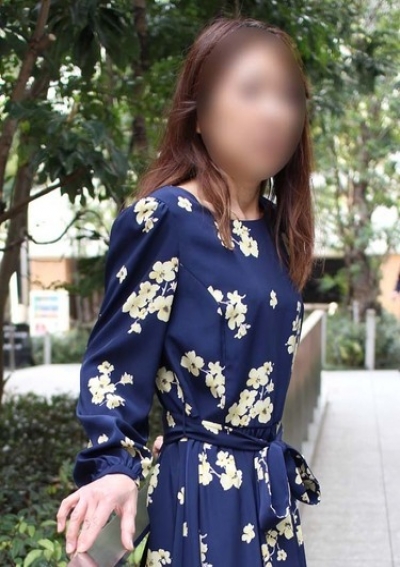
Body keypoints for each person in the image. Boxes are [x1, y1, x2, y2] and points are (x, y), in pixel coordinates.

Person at [57, 15, 321, 566]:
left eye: (289, 97)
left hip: (268, 500)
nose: (276, 113)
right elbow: (116, 363)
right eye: (252, 91)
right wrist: (115, 467)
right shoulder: (166, 218)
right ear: (198, 114)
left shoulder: (278, 229)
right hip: (202, 501)